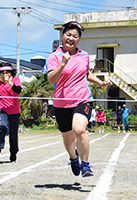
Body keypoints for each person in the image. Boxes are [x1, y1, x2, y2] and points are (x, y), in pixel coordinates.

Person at [46, 21, 112, 177]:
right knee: (68, 140)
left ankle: (86, 164)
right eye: (68, 34)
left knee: (79, 129)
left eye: (75, 36)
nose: (71, 38)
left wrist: (101, 82)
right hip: (62, 103)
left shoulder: (84, 55)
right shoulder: (54, 57)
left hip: (82, 99)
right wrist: (62, 64)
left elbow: (85, 73)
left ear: (79, 39)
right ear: (62, 36)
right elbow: (50, 79)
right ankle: (73, 158)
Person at [0, 62, 22, 162]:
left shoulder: (16, 80)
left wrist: (9, 83)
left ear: (11, 73)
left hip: (14, 110)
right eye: (2, 73)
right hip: (2, 109)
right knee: (2, 125)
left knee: (13, 134)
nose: (5, 75)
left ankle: (13, 153)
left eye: (7, 72)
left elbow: (18, 91)